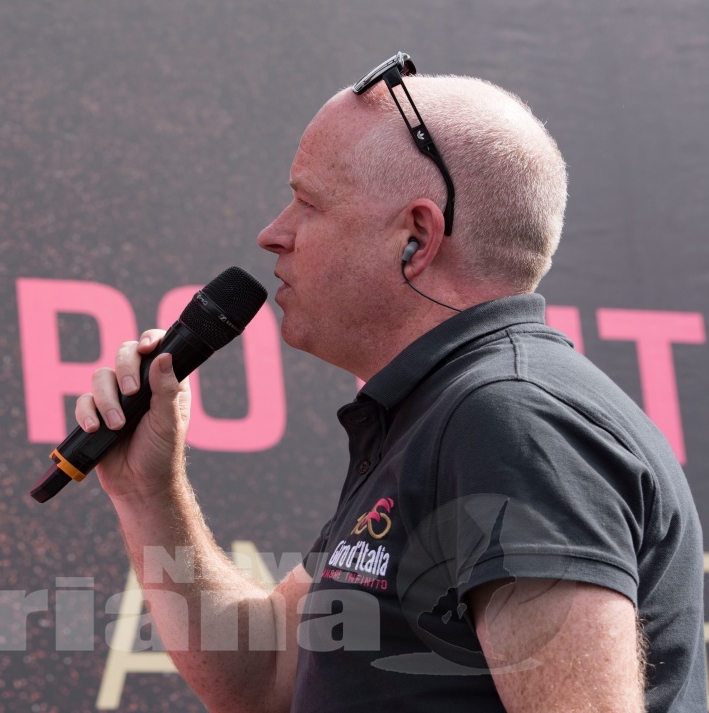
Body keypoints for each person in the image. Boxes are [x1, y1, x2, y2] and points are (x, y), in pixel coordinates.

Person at [76, 54, 705, 712]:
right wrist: (148, 491)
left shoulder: (511, 420)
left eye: (309, 203)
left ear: (416, 237)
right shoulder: (447, 410)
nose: (273, 234)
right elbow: (262, 675)